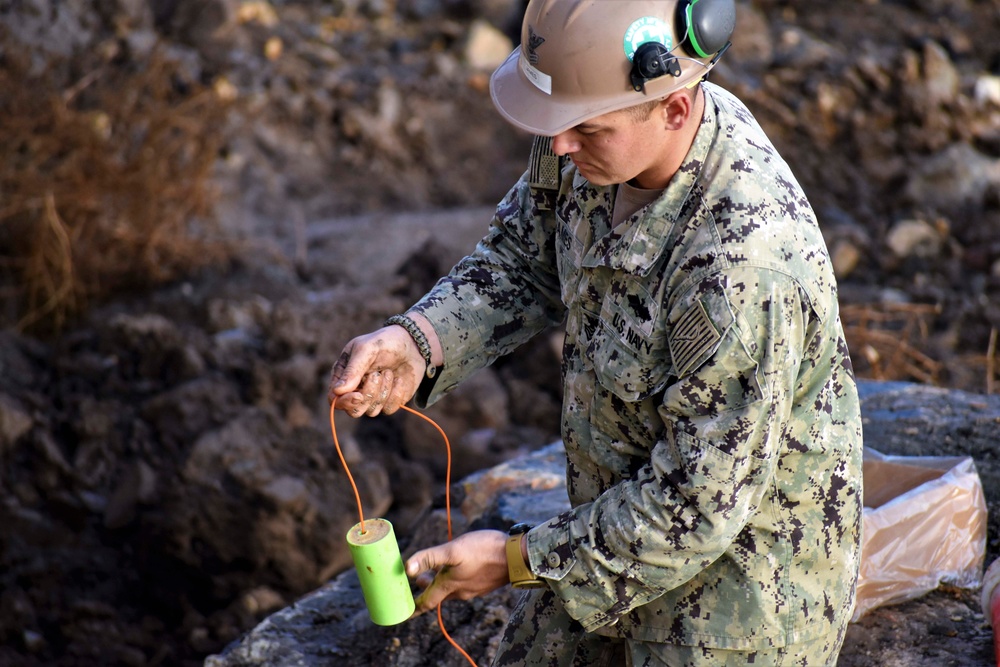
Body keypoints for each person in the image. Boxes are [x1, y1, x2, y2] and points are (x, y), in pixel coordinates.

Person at [328, 0, 864, 664]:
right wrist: (420, 342)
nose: (558, 145)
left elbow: (698, 506)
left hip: (734, 605)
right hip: (609, 526)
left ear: (673, 108)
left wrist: (518, 559)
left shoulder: (742, 267)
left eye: (587, 128)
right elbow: (523, 257)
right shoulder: (585, 134)